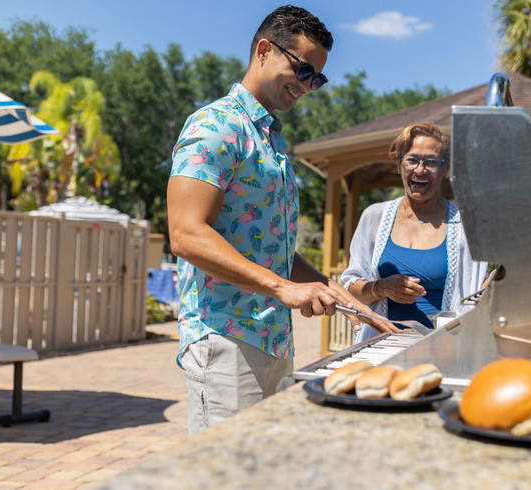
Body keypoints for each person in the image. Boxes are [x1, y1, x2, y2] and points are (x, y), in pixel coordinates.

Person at [167, 5, 397, 435]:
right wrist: (283, 288)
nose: (309, 87)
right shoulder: (216, 125)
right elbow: (185, 234)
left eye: (318, 78)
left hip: (273, 339)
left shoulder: (270, 140)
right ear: (263, 50)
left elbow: (272, 249)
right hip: (225, 339)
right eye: (304, 70)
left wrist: (339, 292)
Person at [341, 123, 489, 343]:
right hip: (381, 346)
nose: (420, 170)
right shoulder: (374, 217)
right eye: (412, 160)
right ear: (399, 164)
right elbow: (351, 287)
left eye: (431, 162)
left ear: (445, 168)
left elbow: (479, 288)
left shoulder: (466, 223)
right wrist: (381, 288)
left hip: (445, 347)